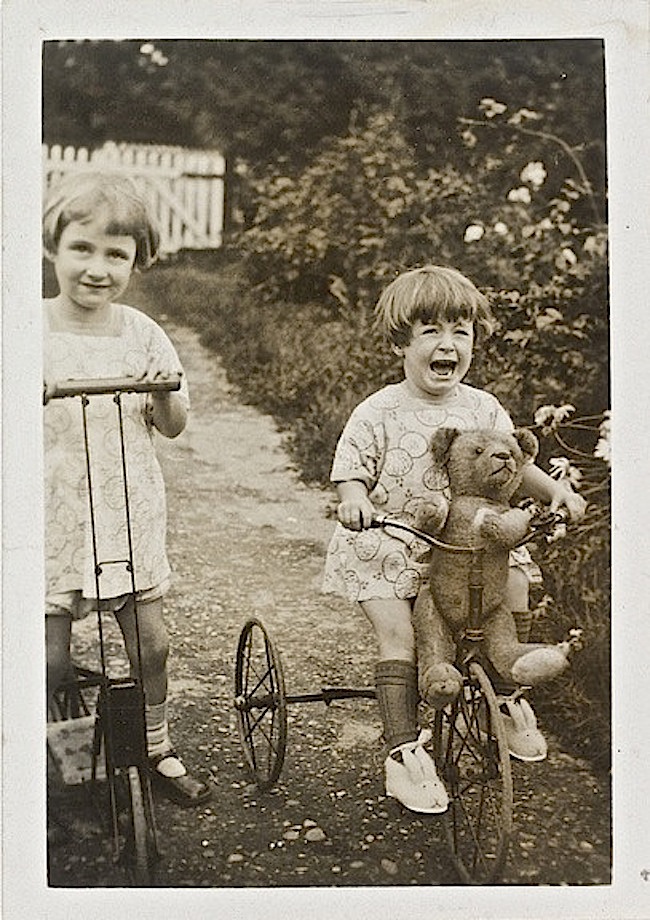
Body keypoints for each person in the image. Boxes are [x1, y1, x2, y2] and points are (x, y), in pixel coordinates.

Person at [323, 265, 586, 814]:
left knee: (512, 589)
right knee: (400, 636)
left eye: (460, 332)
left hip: (470, 547)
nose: (448, 345)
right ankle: (402, 756)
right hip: (392, 542)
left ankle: (505, 695)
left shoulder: (482, 407)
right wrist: (355, 500)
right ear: (403, 342)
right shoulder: (377, 412)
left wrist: (555, 490)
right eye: (431, 333)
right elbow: (351, 472)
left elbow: (513, 464)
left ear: (473, 340)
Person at [43, 172, 211, 807]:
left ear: (137, 261)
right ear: (53, 248)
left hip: (124, 513)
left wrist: (164, 388)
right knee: (51, 660)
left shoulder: (141, 332)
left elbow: (171, 425)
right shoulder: (26, 328)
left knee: (152, 645)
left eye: (116, 255)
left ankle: (157, 746)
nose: (97, 268)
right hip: (53, 518)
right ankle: (70, 751)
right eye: (82, 249)